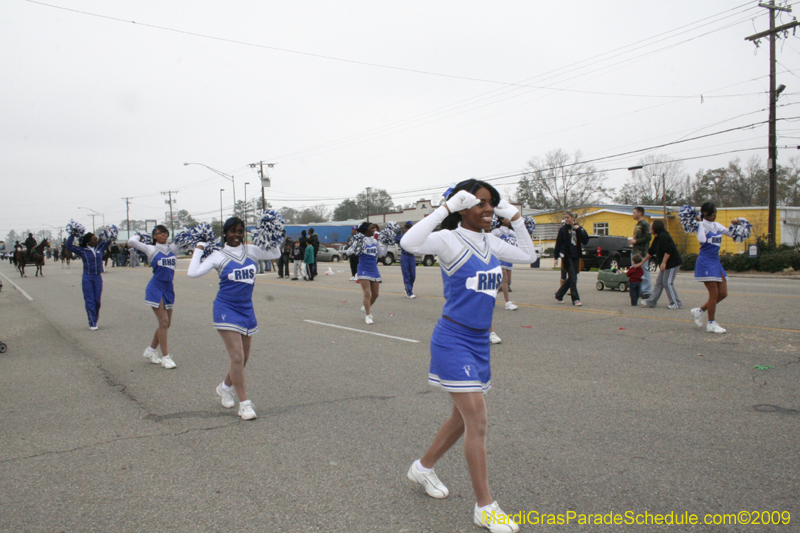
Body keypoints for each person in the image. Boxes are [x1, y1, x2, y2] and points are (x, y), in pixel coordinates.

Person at [400, 179, 537, 533]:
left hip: (480, 343)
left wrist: (515, 218)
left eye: (492, 202)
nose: (488, 208)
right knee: (477, 420)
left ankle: (423, 467)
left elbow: (530, 255)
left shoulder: (492, 242)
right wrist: (445, 207)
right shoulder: (449, 240)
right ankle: (485, 507)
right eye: (480, 203)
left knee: (462, 420)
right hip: (452, 340)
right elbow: (408, 243)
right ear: (463, 206)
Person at [187, 217, 281, 420]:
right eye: (232, 231)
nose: (237, 235)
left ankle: (225, 387)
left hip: (246, 309)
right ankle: (244, 404)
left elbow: (276, 253)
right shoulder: (218, 255)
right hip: (225, 308)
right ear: (225, 233)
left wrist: (270, 234)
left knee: (243, 358)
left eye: (240, 231)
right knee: (237, 357)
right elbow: (193, 273)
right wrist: (200, 248)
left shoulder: (252, 250)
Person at [128, 225, 180, 369]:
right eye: (159, 233)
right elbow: (131, 241)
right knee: (163, 322)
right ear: (154, 236)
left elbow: (191, 244)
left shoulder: (173, 248)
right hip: (155, 287)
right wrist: (140, 235)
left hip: (169, 288)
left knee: (167, 324)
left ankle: (150, 350)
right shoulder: (151, 249)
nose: (163, 235)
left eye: (165, 232)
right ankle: (166, 357)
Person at [690, 203, 743, 334]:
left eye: (715, 212)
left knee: (723, 293)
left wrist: (735, 224)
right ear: (705, 213)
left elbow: (731, 234)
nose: (715, 214)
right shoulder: (700, 226)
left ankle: (700, 310)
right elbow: (702, 240)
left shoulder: (717, 225)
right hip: (705, 262)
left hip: (715, 262)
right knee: (714, 293)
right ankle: (711, 324)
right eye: (713, 212)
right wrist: (698, 225)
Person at [66, 232, 112, 330]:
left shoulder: (100, 248)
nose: (97, 241)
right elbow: (68, 245)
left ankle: (95, 319)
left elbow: (108, 241)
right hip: (87, 277)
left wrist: (110, 234)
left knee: (97, 302)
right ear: (88, 242)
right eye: (94, 240)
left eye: (97, 239)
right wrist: (73, 234)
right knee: (90, 300)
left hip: (98, 277)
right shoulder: (83, 250)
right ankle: (92, 323)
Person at [346, 222, 385, 325]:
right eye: (371, 228)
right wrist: (356, 245)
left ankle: (365, 307)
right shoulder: (360, 240)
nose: (374, 230)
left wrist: (386, 243)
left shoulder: (375, 241)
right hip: (363, 268)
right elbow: (348, 252)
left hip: (374, 269)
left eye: (374, 228)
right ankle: (368, 315)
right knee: (367, 293)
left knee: (375, 294)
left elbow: (383, 253)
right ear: (365, 230)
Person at [637, 220, 683, 309]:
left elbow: (669, 250)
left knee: (668, 283)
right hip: (665, 264)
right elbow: (651, 251)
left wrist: (664, 262)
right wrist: (642, 263)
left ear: (656, 227)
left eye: (651, 226)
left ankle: (676, 303)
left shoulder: (664, 236)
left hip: (672, 263)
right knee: (659, 283)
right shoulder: (657, 237)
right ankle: (651, 302)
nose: (650, 227)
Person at [553, 211, 588, 306]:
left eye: (568, 217)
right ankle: (575, 299)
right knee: (573, 277)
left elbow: (585, 240)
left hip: (576, 256)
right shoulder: (563, 229)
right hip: (566, 256)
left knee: (573, 277)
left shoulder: (578, 228)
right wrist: (556, 257)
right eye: (565, 217)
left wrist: (579, 229)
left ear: (573, 218)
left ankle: (559, 294)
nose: (566, 219)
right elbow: (558, 243)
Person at [491, 217, 518, 310]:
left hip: (509, 259)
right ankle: (507, 303)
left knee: (508, 282)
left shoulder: (512, 233)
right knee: (505, 280)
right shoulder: (496, 232)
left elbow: (516, 244)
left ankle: (491, 296)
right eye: (507, 218)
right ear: (502, 220)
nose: (509, 220)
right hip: (500, 258)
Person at [628, 207, 652, 298]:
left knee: (644, 272)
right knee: (636, 272)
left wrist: (636, 241)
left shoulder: (645, 224)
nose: (633, 214)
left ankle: (647, 291)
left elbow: (648, 237)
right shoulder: (637, 224)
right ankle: (639, 291)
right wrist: (633, 241)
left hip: (642, 252)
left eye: (634, 212)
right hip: (635, 252)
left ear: (640, 213)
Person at [396, 222, 417, 298]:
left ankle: (408, 288)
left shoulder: (415, 237)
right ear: (405, 229)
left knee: (413, 275)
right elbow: (394, 239)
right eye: (407, 228)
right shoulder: (403, 237)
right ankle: (409, 292)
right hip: (404, 256)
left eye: (410, 227)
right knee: (406, 274)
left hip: (411, 256)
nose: (408, 229)